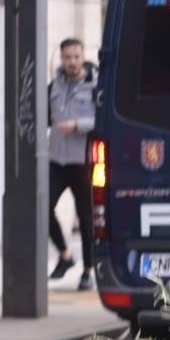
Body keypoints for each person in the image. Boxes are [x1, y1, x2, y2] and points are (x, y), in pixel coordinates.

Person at [47, 38, 97, 291]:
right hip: (56, 159)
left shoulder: (95, 85)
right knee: (41, 207)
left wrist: (78, 125)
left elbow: (102, 120)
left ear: (83, 56)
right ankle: (65, 256)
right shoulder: (54, 85)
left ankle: (88, 270)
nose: (72, 62)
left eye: (76, 57)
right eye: (67, 57)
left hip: (83, 161)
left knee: (87, 219)